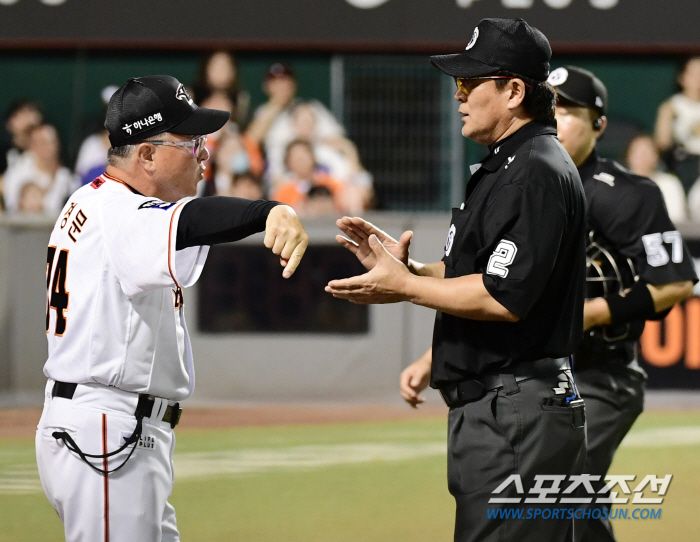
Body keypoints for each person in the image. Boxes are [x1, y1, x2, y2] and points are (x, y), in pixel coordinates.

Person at [327, 18, 587, 542]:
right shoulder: (507, 164)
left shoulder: (534, 170)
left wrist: (403, 288)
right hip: (508, 408)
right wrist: (407, 269)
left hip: (517, 410)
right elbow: (480, 273)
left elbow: (501, 298)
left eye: (471, 82)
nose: (458, 93)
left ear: (514, 91)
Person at [35, 75, 308, 542]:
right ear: (146, 154)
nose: (205, 154)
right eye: (192, 141)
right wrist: (267, 211)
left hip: (112, 427)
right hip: (106, 426)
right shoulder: (119, 210)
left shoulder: (101, 201)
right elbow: (194, 221)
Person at [549, 65, 697, 542]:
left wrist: (594, 312)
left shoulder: (627, 195)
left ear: (599, 125)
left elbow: (675, 284)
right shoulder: (517, 189)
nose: (554, 118)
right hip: (533, 374)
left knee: (560, 488)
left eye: (569, 110)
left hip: (602, 373)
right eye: (548, 106)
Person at [3, 123, 75, 216]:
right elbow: (10, 209)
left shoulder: (65, 176)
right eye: (44, 143)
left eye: (53, 142)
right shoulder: (17, 173)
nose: (50, 147)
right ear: (32, 146)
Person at [654, 56, 700, 193]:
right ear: (682, 78)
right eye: (693, 73)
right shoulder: (671, 107)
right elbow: (662, 142)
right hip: (683, 164)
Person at [625, 134, 687, 223]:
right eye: (638, 152)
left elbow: (677, 219)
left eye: (647, 152)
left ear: (656, 157)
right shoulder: (616, 184)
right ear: (628, 156)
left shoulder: (669, 183)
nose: (643, 157)